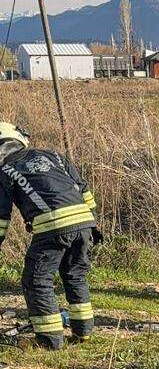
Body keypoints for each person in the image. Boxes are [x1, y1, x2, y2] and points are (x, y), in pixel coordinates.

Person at [0, 121, 98, 348]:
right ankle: (82, 334)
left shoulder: (4, 170)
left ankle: (50, 342)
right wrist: (91, 224)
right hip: (84, 221)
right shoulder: (52, 155)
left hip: (53, 227)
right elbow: (83, 189)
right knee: (75, 276)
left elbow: (2, 215)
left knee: (37, 281)